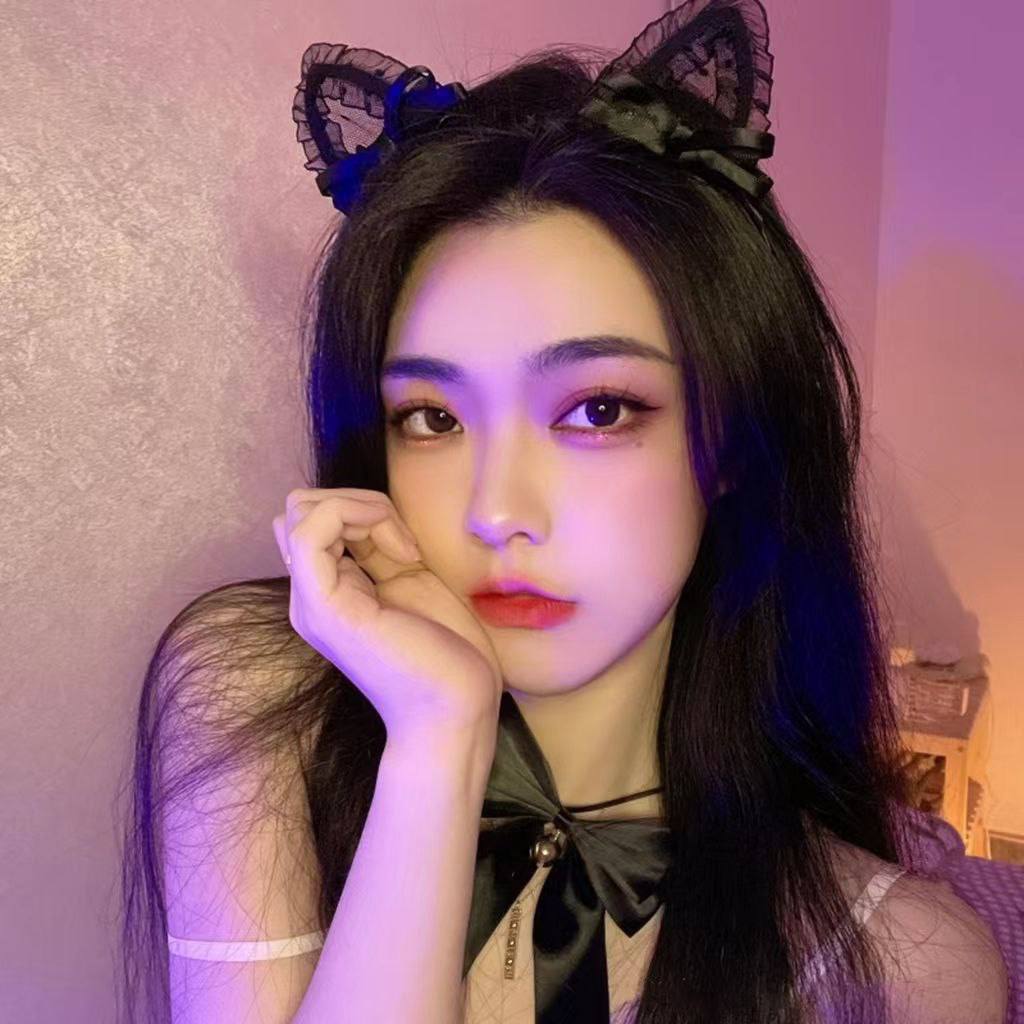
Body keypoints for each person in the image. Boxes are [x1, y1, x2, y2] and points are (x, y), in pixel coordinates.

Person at [117, 3, 1010, 1022]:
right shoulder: (254, 688)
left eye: (598, 410)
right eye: (432, 417)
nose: (496, 511)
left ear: (730, 442)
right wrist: (436, 745)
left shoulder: (903, 965)